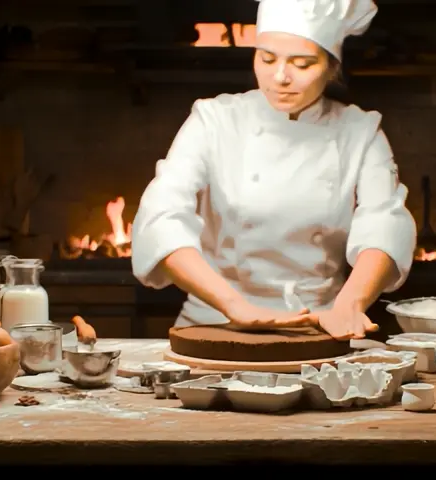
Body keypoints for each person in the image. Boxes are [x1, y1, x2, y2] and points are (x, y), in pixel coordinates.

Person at [131, 0, 417, 341]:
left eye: (303, 64)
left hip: (319, 325)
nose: (280, 77)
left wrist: (349, 305)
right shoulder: (215, 119)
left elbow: (384, 224)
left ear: (331, 67)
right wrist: (235, 305)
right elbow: (161, 218)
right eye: (266, 58)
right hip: (214, 322)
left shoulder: (360, 131)